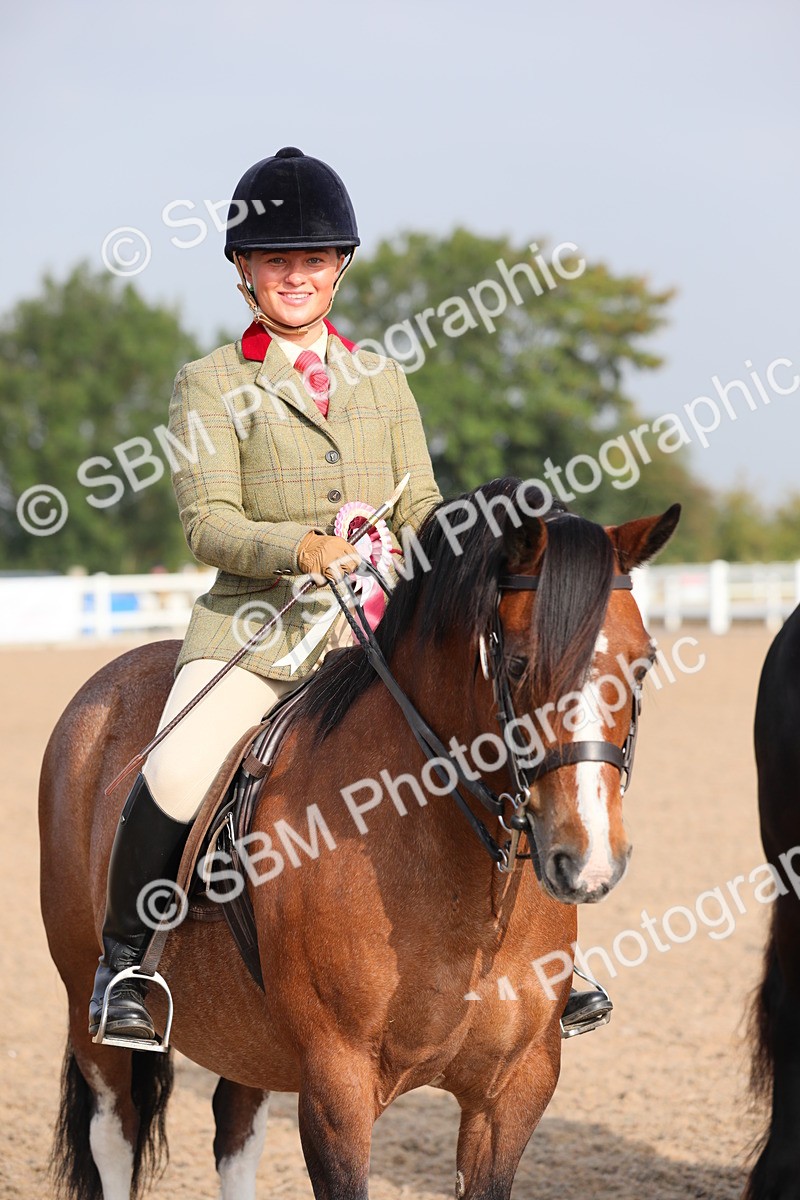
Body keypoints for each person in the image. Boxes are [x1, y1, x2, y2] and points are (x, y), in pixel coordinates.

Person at [88, 146, 609, 1046]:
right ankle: (126, 965)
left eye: (314, 259)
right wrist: (301, 547)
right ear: (245, 271)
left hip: (378, 628)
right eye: (277, 260)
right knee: (173, 766)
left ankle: (543, 956)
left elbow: (420, 507)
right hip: (259, 630)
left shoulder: (383, 379)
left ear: (340, 267)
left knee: (506, 733)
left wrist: (468, 554)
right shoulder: (211, 385)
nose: (297, 275)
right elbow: (207, 524)